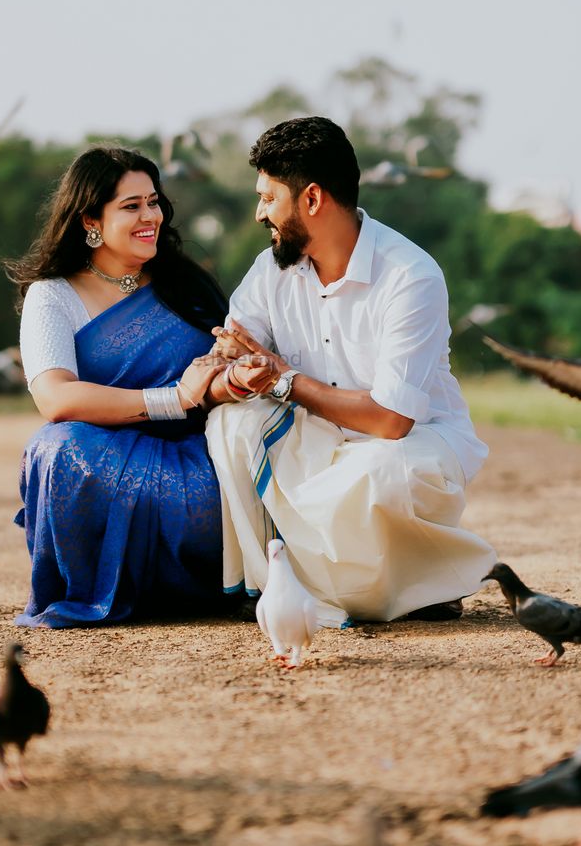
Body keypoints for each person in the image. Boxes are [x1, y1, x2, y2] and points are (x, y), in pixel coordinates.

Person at [203, 116, 495, 621]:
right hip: (316, 444)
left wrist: (282, 379)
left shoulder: (410, 276)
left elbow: (391, 421)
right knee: (230, 422)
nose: (258, 214)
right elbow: (229, 349)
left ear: (312, 199)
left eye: (269, 198)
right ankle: (284, 585)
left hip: (412, 447)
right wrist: (237, 372)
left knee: (380, 474)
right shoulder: (271, 269)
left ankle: (415, 582)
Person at [7, 145, 227, 627]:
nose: (151, 216)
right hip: (103, 457)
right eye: (131, 207)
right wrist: (176, 398)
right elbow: (55, 398)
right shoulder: (53, 296)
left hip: (202, 459)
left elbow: (226, 358)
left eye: (153, 202)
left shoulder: (185, 284)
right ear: (90, 219)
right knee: (56, 447)